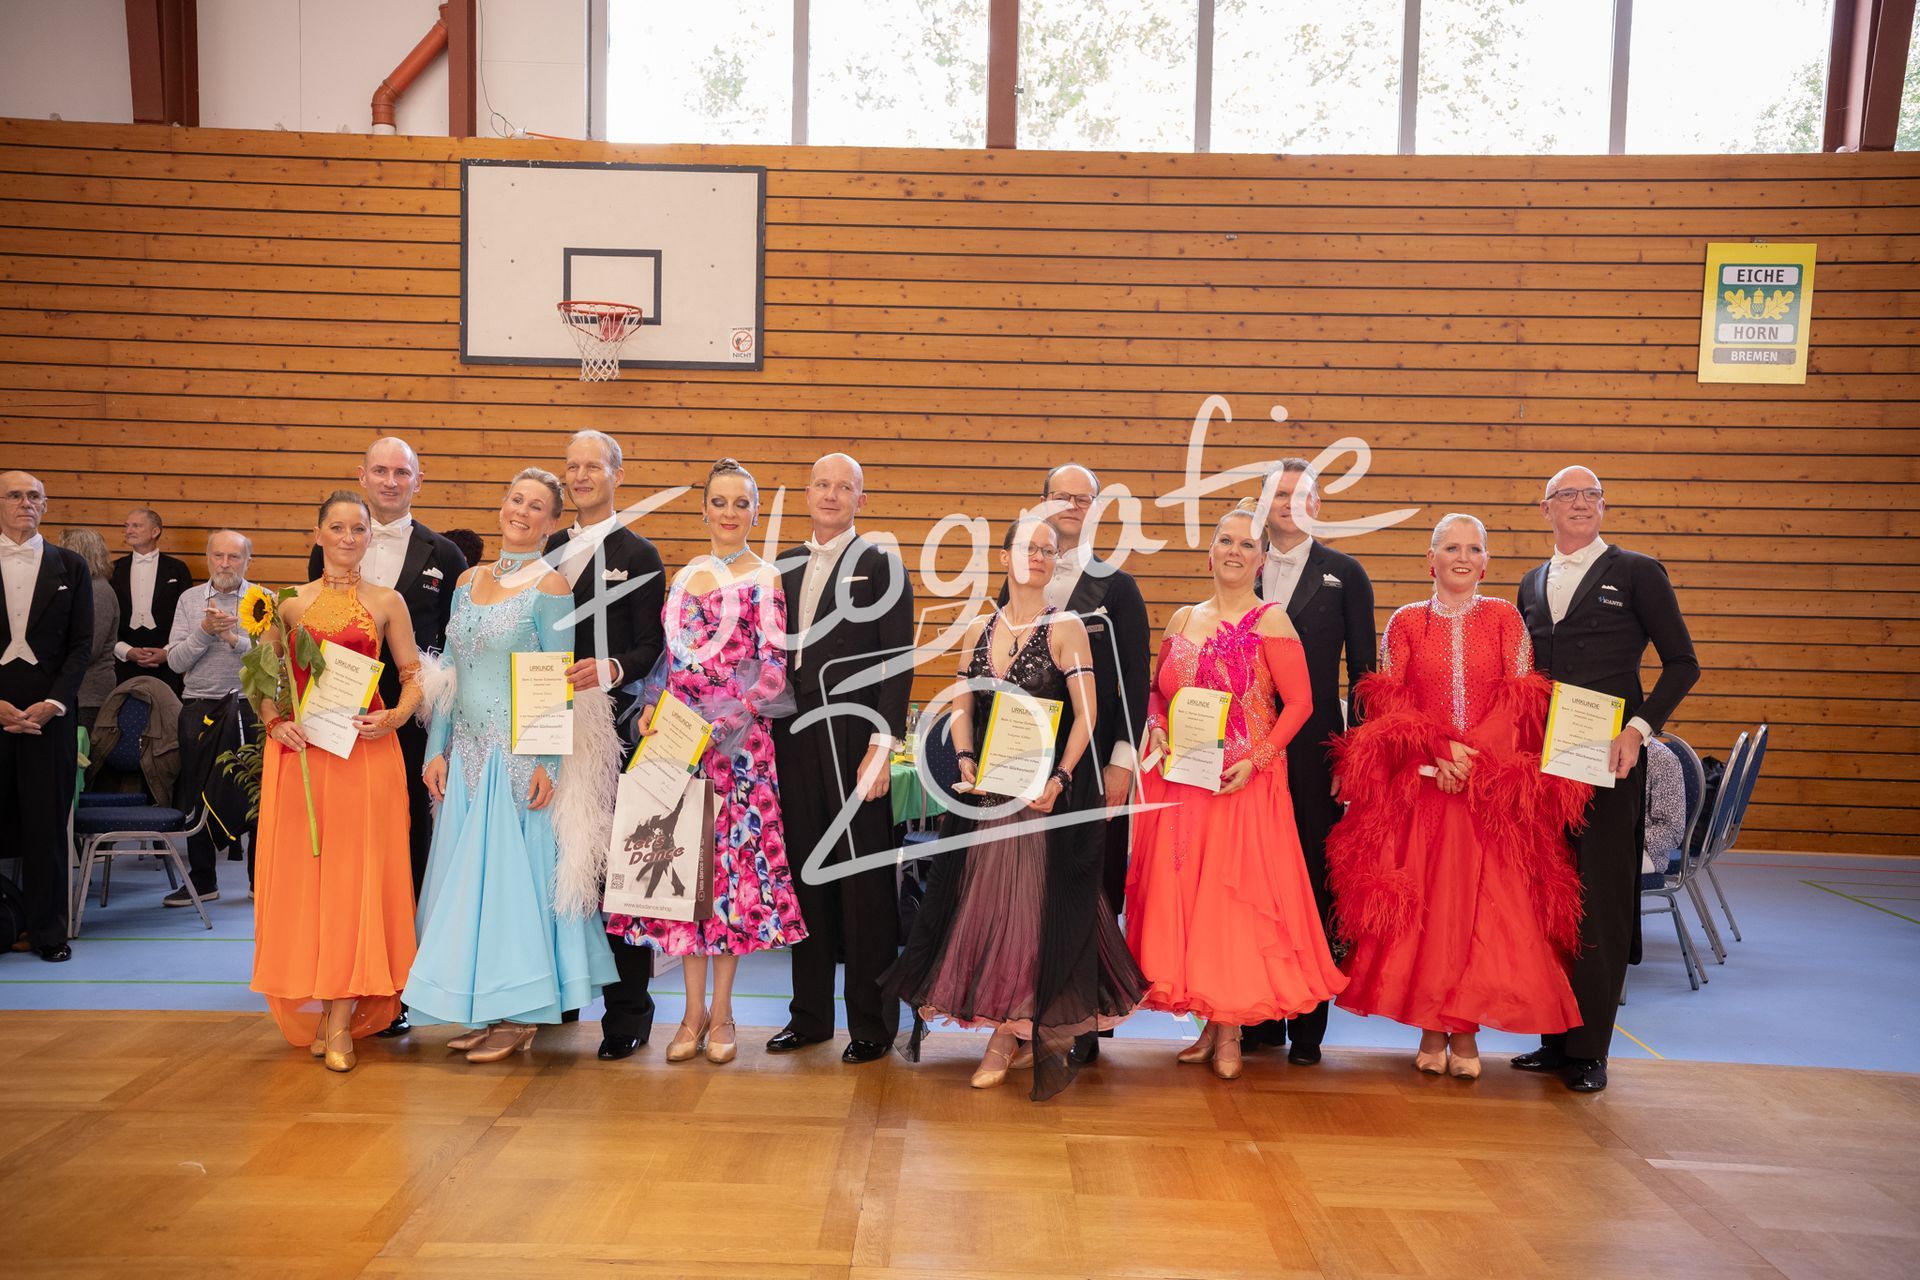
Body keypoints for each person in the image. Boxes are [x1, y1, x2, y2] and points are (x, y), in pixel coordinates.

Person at [886, 517, 1145, 1099]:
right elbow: (961, 704)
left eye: (1048, 550)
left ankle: (1008, 1036)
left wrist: (1060, 777)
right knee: (983, 911)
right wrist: (964, 758)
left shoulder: (1066, 626)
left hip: (1039, 797)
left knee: (1030, 914)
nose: (1038, 556)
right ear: (1004, 557)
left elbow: (1088, 715)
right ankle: (1012, 1027)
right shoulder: (980, 626)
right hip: (985, 795)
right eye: (1028, 547)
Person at [1327, 514, 1590, 1079]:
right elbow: (1391, 703)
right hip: (1424, 787)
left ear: (1486, 562)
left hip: (1487, 792)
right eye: (1451, 547)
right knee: (1430, 912)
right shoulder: (1404, 622)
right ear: (1431, 559)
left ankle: (1465, 1031)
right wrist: (1439, 750)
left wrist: (1471, 759)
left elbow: (1520, 699)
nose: (1463, 557)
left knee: (1481, 912)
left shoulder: (1504, 618)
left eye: (1473, 549)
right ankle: (1430, 1026)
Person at [1125, 502, 1346, 1080]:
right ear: (1209, 553)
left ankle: (1230, 1032)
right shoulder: (1181, 619)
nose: (1234, 551)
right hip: (1183, 782)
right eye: (1226, 540)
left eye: (1248, 544)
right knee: (1193, 904)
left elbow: (1301, 703)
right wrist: (1155, 724)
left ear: (1261, 561)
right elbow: (1157, 691)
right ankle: (1210, 1023)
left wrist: (1259, 760)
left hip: (1242, 784)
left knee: (1231, 908)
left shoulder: (1273, 621)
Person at [409, 469, 619, 1064]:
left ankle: (521, 1013)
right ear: (503, 505)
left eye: (536, 507)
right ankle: (484, 1007)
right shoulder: (467, 581)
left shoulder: (551, 586)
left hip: (519, 758)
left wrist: (547, 760)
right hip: (467, 757)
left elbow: (555, 679)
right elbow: (449, 672)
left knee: (514, 887)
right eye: (516, 500)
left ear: (552, 523)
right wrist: (435, 749)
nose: (522, 512)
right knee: (471, 889)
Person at [608, 458, 806, 1067]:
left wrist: (722, 722)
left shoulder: (766, 577)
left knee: (731, 881)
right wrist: (652, 705)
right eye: (718, 502)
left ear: (755, 512)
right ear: (703, 510)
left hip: (738, 750)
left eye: (740, 503)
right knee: (683, 879)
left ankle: (723, 1013)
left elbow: (773, 669)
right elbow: (669, 663)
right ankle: (689, 1014)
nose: (728, 512)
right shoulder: (685, 575)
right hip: (679, 746)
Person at [1513, 467, 1699, 1092]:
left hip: (1610, 759)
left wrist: (1638, 731)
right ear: (1546, 510)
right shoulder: (1530, 582)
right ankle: (1553, 1038)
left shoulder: (1639, 571)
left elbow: (1683, 663)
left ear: (1603, 506)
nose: (1580, 503)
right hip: (1543, 763)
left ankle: (1590, 1051)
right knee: (1550, 895)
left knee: (1601, 901)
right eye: (1567, 495)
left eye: (1591, 494)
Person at [250, 491, 422, 1071]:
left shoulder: (387, 601)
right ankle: (326, 1011)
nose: (349, 538)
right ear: (318, 532)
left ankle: (342, 1018)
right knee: (312, 884)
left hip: (365, 756)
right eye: (338, 527)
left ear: (370, 536)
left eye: (358, 529)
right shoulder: (288, 603)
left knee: (357, 882)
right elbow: (262, 680)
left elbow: (413, 676)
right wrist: (274, 723)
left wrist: (393, 716)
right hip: (303, 757)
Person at [306, 437, 467, 1037]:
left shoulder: (446, 553)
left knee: (408, 848)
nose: (391, 480)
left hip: (412, 722)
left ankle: (401, 988)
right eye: (380, 470)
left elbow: (457, 644)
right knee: (343, 856)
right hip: (335, 726)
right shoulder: (326, 550)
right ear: (362, 476)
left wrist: (426, 720)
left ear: (418, 481)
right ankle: (339, 982)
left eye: (402, 472)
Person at [767, 453, 915, 1064]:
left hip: (855, 738)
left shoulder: (881, 563)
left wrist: (882, 747)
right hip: (792, 736)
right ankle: (809, 1017)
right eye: (822, 485)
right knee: (806, 877)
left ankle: (872, 1026)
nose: (831, 495)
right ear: (807, 493)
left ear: (861, 499)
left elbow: (897, 661)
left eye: (844, 487)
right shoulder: (782, 565)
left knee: (863, 885)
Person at [1242, 458, 1376, 1065]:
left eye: (1301, 494)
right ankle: (1257, 1015)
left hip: (1315, 750)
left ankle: (1307, 1023)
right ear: (1263, 505)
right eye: (1279, 494)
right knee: (1252, 874)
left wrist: (1356, 754)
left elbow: (1365, 674)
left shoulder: (1346, 574)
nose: (1290, 503)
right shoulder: (1242, 564)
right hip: (1246, 747)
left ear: (1317, 505)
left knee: (1309, 876)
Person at [542, 430, 666, 1061]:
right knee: (550, 859)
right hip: (542, 725)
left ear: (618, 474)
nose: (581, 475)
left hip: (609, 730)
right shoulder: (546, 548)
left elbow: (652, 645)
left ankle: (628, 1013)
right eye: (572, 466)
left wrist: (612, 669)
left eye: (593, 465)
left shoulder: (639, 553)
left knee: (613, 869)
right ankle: (558, 997)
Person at [1026, 462, 1150, 1064]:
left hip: (1094, 765)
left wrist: (1122, 763)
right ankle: (1023, 1016)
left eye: (1084, 498)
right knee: (1031, 890)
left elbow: (1134, 683)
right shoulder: (1019, 581)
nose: (1072, 505)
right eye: (1061, 496)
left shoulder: (1117, 587)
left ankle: (1084, 1024)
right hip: (1027, 764)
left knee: (1089, 890)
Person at [0, 471, 92, 962]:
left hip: (49, 716)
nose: (25, 503)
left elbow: (82, 645)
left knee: (47, 829)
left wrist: (54, 703)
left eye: (33, 496)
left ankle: (48, 933)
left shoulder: (71, 566)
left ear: (46, 505)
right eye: (14, 495)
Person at [161, 530, 259, 905]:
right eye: (218, 555)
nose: (225, 564)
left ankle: (260, 881)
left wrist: (234, 639)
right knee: (197, 794)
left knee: (258, 796)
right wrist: (204, 631)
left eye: (234, 557)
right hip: (199, 706)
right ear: (208, 558)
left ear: (247, 561)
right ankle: (203, 881)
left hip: (250, 707)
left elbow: (273, 660)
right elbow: (175, 661)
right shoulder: (189, 600)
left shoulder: (263, 600)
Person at [111, 506, 192, 695]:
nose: (129, 530)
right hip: (123, 661)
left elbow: (188, 616)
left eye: (136, 526)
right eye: (127, 526)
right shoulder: (114, 569)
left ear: (155, 532)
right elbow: (105, 620)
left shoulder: (178, 569)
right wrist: (125, 650)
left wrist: (168, 652)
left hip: (167, 661)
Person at [57, 528, 119, 730]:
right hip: (74, 691)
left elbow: (90, 648)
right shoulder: (80, 587)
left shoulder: (98, 590)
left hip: (89, 694)